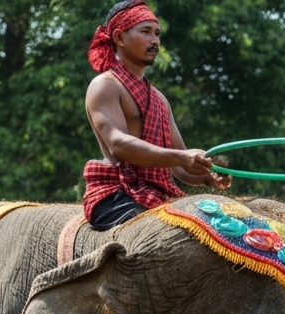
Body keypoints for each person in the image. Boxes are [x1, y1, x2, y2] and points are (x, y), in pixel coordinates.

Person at [83, 0, 230, 230]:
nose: (155, 41)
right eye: (146, 32)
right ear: (120, 38)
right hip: (115, 194)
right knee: (168, 235)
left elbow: (180, 166)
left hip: (158, 194)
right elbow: (118, 145)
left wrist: (206, 177)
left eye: (157, 33)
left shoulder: (160, 99)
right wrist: (182, 158)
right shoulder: (105, 85)